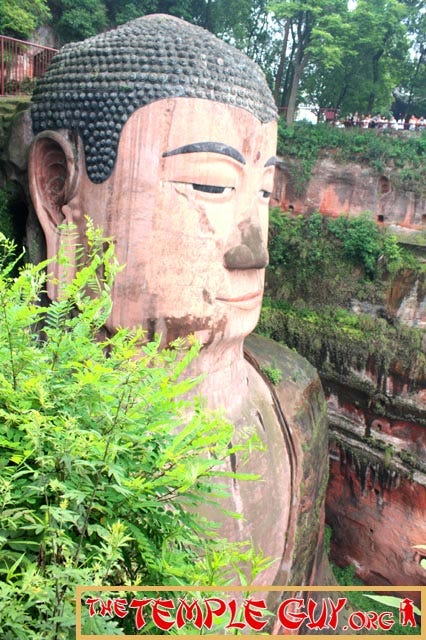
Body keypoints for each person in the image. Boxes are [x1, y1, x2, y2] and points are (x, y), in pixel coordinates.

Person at [27, 14, 329, 592]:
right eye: (211, 186)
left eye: (263, 193)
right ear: (59, 190)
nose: (255, 250)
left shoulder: (294, 395)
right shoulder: (29, 446)